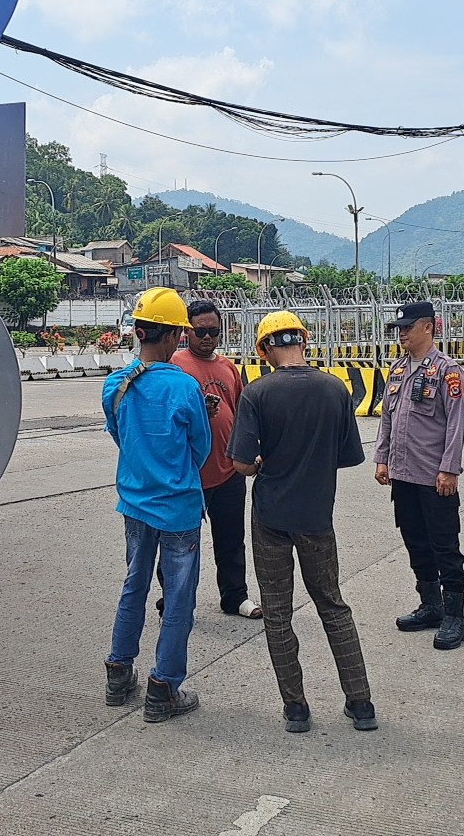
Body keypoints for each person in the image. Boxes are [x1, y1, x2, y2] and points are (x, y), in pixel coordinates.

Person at [228, 311, 378, 734]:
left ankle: (296, 709)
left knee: (277, 614)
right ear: (304, 342)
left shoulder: (257, 393)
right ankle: (360, 703)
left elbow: (241, 464)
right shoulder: (335, 388)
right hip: (316, 516)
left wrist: (262, 462)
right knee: (333, 605)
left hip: (270, 517)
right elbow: (348, 456)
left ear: (264, 349)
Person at [101, 287, 210, 723]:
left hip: (134, 504)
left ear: (139, 332)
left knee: (135, 583)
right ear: (172, 336)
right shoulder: (184, 387)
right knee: (179, 598)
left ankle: (118, 672)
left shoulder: (116, 384)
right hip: (178, 509)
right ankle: (163, 687)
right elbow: (200, 448)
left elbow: (120, 436)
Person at [374, 300, 464, 651]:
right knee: (415, 541)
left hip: (434, 477)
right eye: (398, 328)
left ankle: (455, 616)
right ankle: (431, 605)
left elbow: (456, 424)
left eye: (407, 327)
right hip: (403, 475)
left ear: (428, 327)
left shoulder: (447, 371)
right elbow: (387, 417)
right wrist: (382, 459)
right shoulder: (398, 369)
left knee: (445, 545)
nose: (401, 334)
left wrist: (449, 468)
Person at [171, 299, 261, 619]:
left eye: (213, 331)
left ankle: (235, 597)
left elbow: (240, 413)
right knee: (179, 543)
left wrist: (248, 452)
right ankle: (175, 600)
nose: (207, 337)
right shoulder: (175, 366)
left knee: (231, 540)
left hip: (227, 471)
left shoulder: (228, 367)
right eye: (200, 331)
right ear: (187, 331)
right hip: (189, 474)